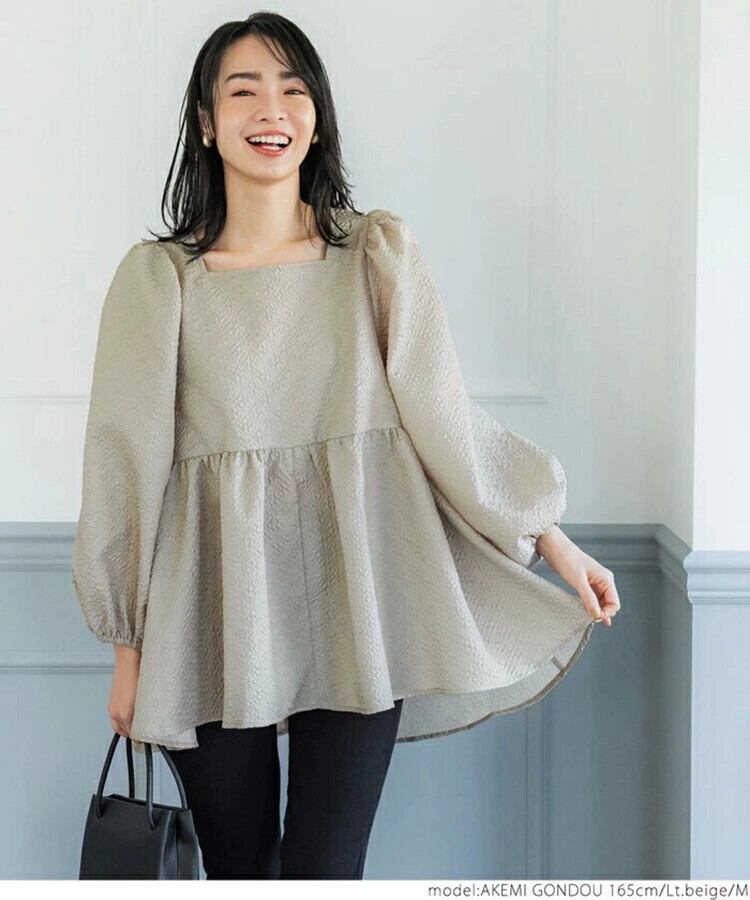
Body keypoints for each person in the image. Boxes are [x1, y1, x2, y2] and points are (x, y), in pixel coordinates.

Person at [71, 11, 620, 880]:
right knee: (242, 871)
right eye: (243, 90)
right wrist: (128, 653)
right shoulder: (160, 282)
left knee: (328, 873)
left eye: (293, 90)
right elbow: (123, 466)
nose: (271, 109)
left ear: (317, 118)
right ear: (207, 122)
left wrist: (552, 539)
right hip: (210, 612)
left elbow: (446, 420)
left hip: (357, 602)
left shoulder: (375, 257)